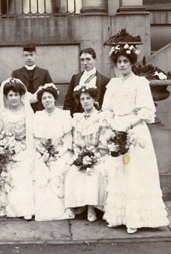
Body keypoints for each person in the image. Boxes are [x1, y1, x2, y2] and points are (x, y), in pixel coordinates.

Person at [102, 44, 169, 234]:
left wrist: (128, 125)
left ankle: (136, 218)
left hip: (135, 130)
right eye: (119, 62)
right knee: (119, 171)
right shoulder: (113, 84)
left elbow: (146, 111)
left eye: (125, 61)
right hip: (116, 129)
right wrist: (112, 124)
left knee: (136, 173)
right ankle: (119, 216)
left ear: (132, 63)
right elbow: (106, 109)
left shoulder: (140, 83)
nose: (122, 65)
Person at [0, 78, 35, 219]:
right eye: (10, 95)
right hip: (4, 149)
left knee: (21, 171)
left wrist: (23, 149)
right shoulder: (2, 113)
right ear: (5, 97)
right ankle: (1, 205)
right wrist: (0, 150)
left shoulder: (27, 112)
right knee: (1, 169)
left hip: (23, 149)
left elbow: (30, 135)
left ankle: (23, 208)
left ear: (21, 96)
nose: (13, 98)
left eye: (16, 94)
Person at [64, 82, 109, 222]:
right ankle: (75, 205)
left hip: (98, 155)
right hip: (81, 154)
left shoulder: (101, 118)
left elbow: (103, 143)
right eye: (82, 99)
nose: (85, 102)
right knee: (71, 171)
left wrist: (93, 157)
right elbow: (75, 142)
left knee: (94, 172)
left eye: (88, 98)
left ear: (94, 99)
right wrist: (79, 156)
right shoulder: (77, 118)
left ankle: (91, 207)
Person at [33, 83, 74, 221]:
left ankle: (63, 207)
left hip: (61, 152)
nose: (47, 100)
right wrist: (44, 153)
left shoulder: (64, 115)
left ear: (55, 98)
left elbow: (68, 140)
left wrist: (57, 154)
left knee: (58, 169)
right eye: (44, 98)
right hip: (43, 153)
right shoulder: (37, 115)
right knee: (39, 169)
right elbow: (36, 139)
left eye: (50, 97)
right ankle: (42, 208)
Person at [63, 48, 110, 116]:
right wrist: (68, 116)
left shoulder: (104, 80)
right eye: (82, 60)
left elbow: (105, 103)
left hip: (96, 116)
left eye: (88, 59)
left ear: (95, 60)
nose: (85, 63)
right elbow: (68, 101)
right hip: (77, 115)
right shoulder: (75, 78)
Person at [11, 44, 53, 112]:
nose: (29, 58)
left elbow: (52, 91)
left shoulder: (44, 73)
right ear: (22, 56)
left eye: (31, 55)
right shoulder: (16, 73)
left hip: (41, 108)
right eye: (26, 55)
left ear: (36, 56)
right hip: (22, 108)